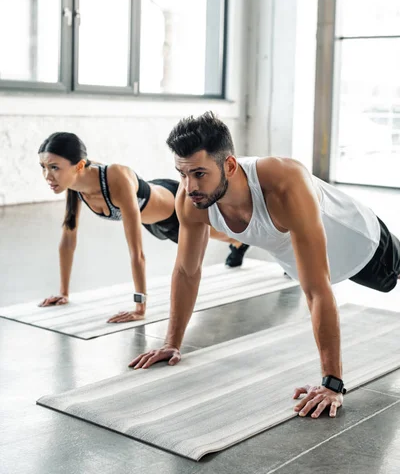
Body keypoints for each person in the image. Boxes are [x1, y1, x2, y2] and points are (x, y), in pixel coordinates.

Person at [129, 112, 400, 420]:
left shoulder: (285, 183)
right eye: (182, 174)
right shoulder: (192, 201)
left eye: (200, 174)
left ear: (229, 165)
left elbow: (316, 291)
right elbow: (186, 272)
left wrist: (332, 384)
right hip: (304, 260)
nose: (190, 186)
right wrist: (171, 343)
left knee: (391, 279)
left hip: (362, 245)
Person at [38, 132, 249, 323]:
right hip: (152, 221)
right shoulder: (74, 184)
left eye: (54, 167)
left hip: (174, 207)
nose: (48, 176)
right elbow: (68, 241)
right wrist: (64, 292)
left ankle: (249, 241)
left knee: (226, 233)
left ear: (79, 165)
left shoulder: (115, 178)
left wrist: (140, 307)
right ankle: (238, 243)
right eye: (44, 167)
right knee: (221, 235)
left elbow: (136, 253)